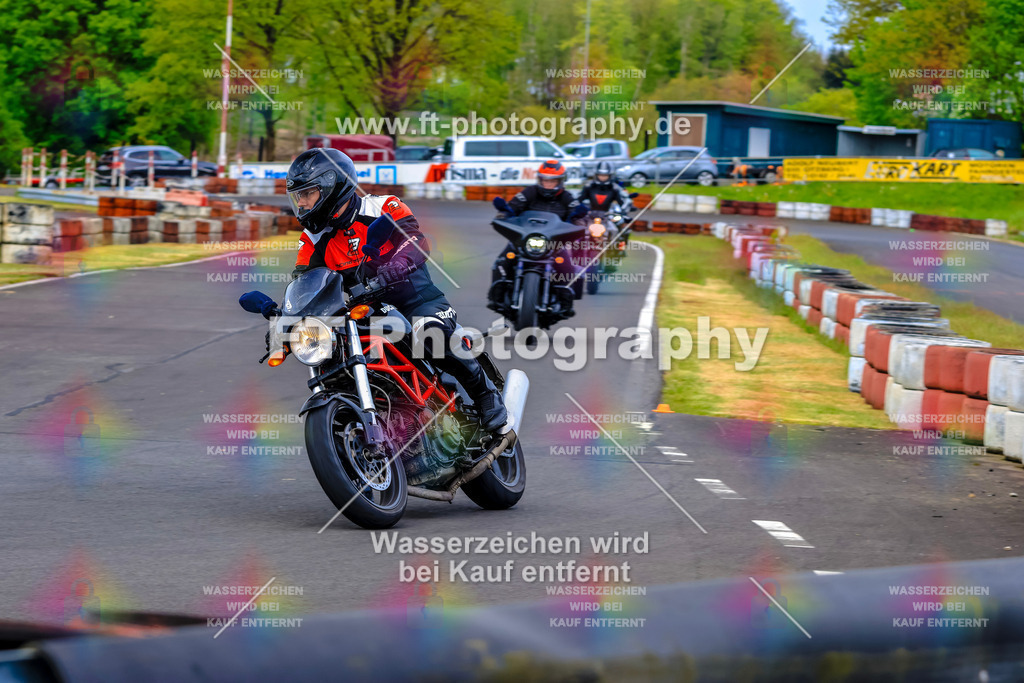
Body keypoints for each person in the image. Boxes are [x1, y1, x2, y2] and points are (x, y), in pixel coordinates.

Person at [286, 148, 508, 432]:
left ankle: (485, 395)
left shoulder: (382, 207)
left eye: (308, 194)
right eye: (298, 196)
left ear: (332, 186)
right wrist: (286, 316)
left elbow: (416, 239)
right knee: (333, 354)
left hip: (417, 300)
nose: (302, 203)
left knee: (430, 332)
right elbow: (303, 282)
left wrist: (399, 262)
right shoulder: (312, 239)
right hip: (364, 313)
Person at [490, 159, 586, 308]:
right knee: (502, 261)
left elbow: (578, 216)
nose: (548, 184)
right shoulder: (530, 192)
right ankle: (497, 297)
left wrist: (578, 220)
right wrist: (503, 214)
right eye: (545, 180)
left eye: (552, 181)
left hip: (553, 245)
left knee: (568, 267)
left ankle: (564, 302)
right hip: (524, 240)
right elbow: (513, 207)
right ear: (539, 179)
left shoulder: (567, 197)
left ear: (560, 181)